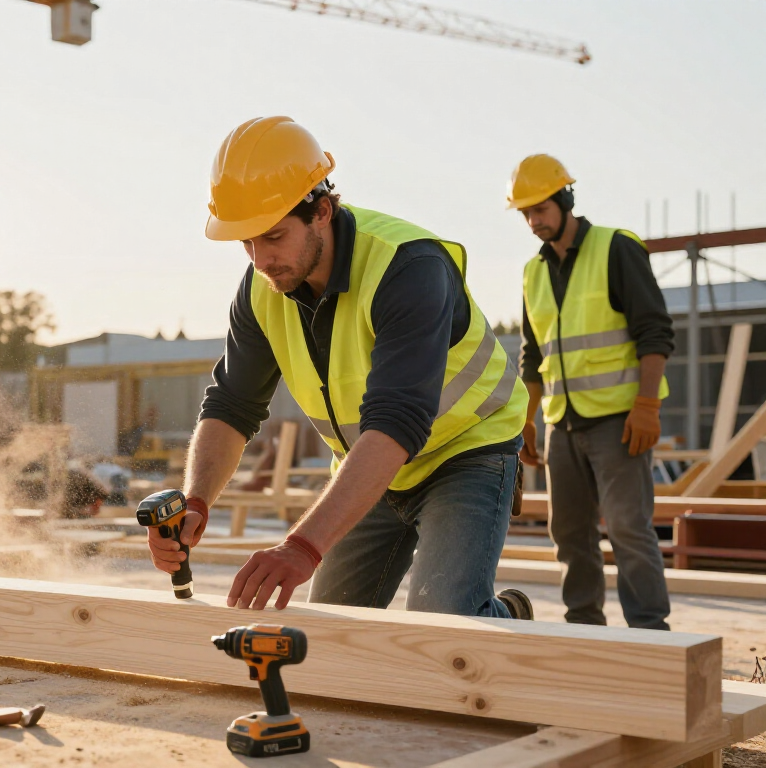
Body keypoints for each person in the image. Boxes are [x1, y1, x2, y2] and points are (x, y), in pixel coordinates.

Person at [147, 116, 532, 618]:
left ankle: (507, 613)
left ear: (322, 211)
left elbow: (397, 420)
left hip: (464, 453)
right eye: (246, 242)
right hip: (369, 466)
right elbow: (231, 405)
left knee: (443, 622)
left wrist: (301, 547)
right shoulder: (263, 287)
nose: (260, 260)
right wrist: (196, 501)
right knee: (329, 631)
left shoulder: (408, 267)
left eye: (274, 236)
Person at [508, 155, 673, 630]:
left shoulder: (616, 248)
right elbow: (533, 354)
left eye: (540, 209)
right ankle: (584, 628)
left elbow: (655, 332)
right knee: (568, 532)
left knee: (627, 528)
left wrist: (647, 405)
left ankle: (650, 633)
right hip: (563, 424)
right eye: (525, 213)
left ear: (565, 200)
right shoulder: (533, 272)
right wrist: (527, 419)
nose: (533, 222)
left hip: (619, 420)